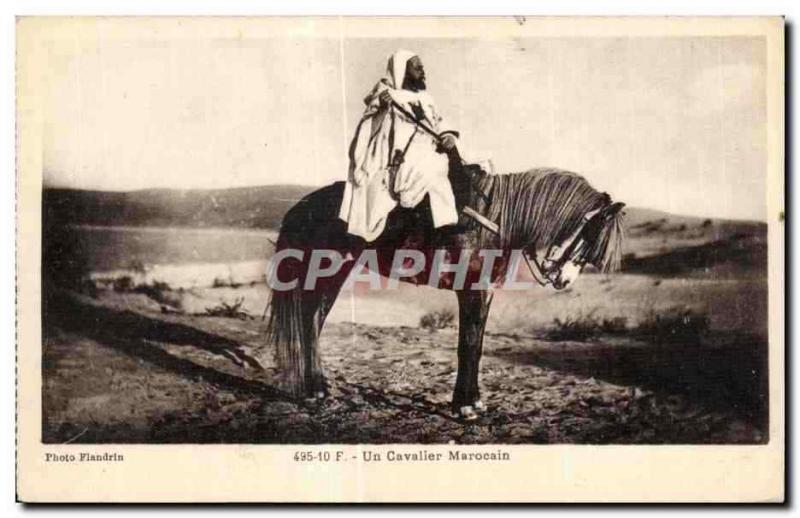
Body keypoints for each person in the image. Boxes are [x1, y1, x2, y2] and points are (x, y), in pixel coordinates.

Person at [338, 49, 465, 242]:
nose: (423, 71)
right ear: (402, 71)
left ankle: (463, 212)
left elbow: (438, 122)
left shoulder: (426, 98)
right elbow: (367, 130)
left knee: (471, 159)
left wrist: (447, 135)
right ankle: (445, 226)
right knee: (433, 168)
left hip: (430, 147)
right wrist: (382, 108)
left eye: (422, 67)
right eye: (417, 67)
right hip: (403, 155)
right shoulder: (386, 96)